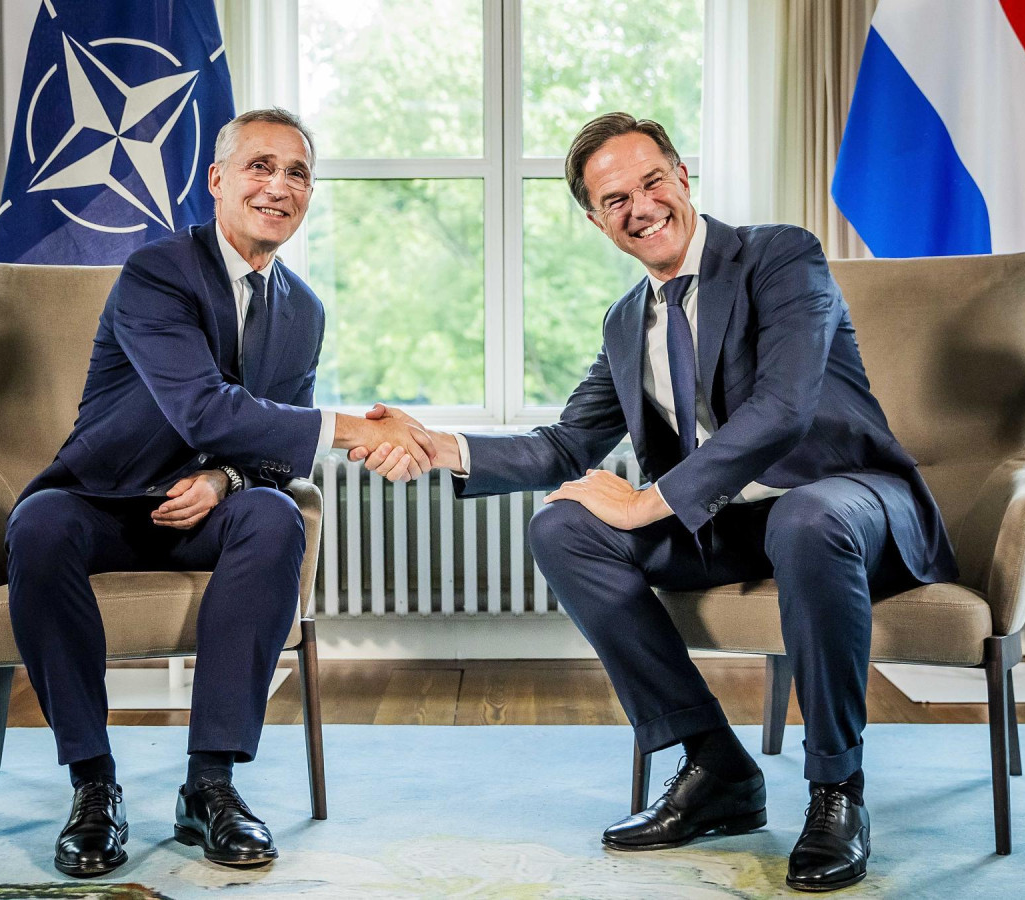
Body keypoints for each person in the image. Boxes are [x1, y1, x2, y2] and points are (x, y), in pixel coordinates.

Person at [355, 112, 957, 892]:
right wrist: (442, 448)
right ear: (595, 220)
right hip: (736, 525)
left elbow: (784, 411)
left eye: (650, 183)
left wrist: (648, 502)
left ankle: (837, 788)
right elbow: (565, 446)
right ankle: (714, 763)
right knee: (565, 527)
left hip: (852, 503)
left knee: (808, 517)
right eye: (614, 200)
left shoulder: (779, 256)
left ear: (681, 176)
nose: (639, 207)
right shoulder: (625, 323)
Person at [5, 108, 434, 878]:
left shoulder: (303, 309)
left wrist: (223, 479)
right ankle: (93, 786)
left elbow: (263, 452)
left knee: (273, 515)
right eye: (261, 167)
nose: (280, 186)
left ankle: (210, 785)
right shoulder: (157, 274)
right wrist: (351, 430)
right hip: (104, 498)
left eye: (298, 173)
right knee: (37, 525)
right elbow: (204, 407)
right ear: (218, 181)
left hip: (208, 510)